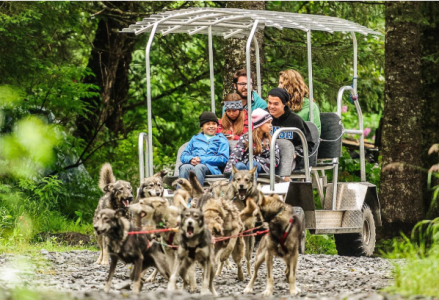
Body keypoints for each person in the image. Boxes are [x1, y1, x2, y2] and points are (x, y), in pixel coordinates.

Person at [267, 87, 315, 173]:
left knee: (284, 166)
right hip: (267, 156)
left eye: (276, 104)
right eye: (269, 103)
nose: (271, 106)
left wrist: (295, 153)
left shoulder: (295, 120)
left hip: (288, 158)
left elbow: (308, 144)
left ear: (284, 104)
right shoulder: (263, 117)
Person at [224, 108, 280, 179]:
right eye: (268, 122)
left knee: (252, 164)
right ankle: (231, 188)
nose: (271, 125)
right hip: (245, 165)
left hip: (264, 167)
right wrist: (228, 169)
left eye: (271, 122)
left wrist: (256, 160)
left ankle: (251, 187)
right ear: (259, 125)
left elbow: (275, 160)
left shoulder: (271, 139)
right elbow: (235, 155)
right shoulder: (245, 138)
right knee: (239, 165)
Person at [179, 112, 229, 186]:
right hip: (193, 165)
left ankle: (197, 195)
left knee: (199, 167)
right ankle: (181, 196)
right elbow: (183, 156)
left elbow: (223, 159)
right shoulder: (195, 138)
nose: (211, 126)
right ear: (202, 126)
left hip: (211, 168)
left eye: (214, 124)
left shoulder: (221, 139)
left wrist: (201, 160)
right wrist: (191, 159)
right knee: (184, 167)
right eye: (208, 124)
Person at [279, 69, 321, 135]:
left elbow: (316, 133)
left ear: (290, 86)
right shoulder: (280, 105)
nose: (278, 86)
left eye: (281, 83)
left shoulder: (310, 107)